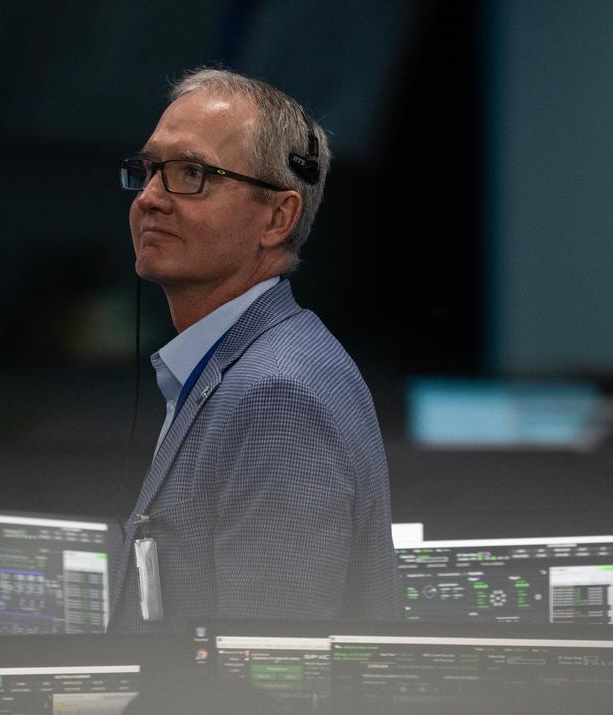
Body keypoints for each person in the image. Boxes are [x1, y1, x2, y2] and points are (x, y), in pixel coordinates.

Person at [108, 68, 399, 632]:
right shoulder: (264, 358)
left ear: (278, 217)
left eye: (191, 173)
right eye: (148, 171)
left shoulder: (276, 397)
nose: (149, 199)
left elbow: (264, 683)